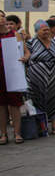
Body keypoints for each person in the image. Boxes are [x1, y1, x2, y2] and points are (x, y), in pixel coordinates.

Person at [24, 20, 55, 134]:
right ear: (37, 31)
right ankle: (41, 125)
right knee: (37, 97)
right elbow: (27, 58)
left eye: (47, 29)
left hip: (53, 73)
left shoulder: (54, 42)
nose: (46, 31)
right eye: (43, 30)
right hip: (36, 74)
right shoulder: (31, 43)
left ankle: (54, 123)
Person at [0, 10, 29, 144]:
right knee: (1, 105)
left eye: (2, 16)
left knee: (14, 104)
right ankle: (4, 134)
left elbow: (27, 52)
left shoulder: (15, 35)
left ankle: (17, 133)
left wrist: (25, 57)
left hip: (13, 72)